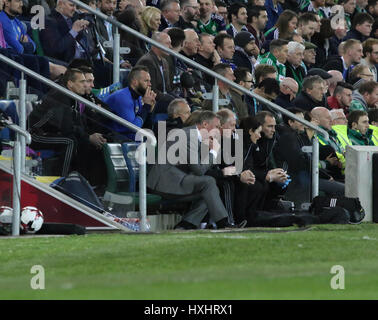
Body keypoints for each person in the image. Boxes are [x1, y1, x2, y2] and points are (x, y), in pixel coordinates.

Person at [147, 110, 244, 230]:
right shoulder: (188, 136)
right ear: (205, 125)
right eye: (217, 127)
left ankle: (185, 226)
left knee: (209, 191)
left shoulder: (200, 137)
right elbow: (199, 170)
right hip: (164, 182)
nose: (219, 130)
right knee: (208, 182)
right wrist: (213, 152)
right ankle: (223, 224)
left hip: (179, 178)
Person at [28, 68, 108, 184]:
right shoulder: (60, 95)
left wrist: (90, 136)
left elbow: (78, 123)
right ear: (70, 83)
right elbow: (67, 127)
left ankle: (89, 183)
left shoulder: (74, 97)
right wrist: (88, 137)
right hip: (34, 134)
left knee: (84, 142)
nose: (85, 85)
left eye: (86, 81)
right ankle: (61, 182)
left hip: (52, 133)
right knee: (70, 141)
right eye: (82, 82)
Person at [233, 116, 270, 226]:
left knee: (262, 184)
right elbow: (241, 168)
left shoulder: (250, 144)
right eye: (258, 132)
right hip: (233, 176)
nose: (259, 136)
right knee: (252, 184)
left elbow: (257, 163)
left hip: (240, 174)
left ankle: (253, 216)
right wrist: (266, 175)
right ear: (250, 131)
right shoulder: (239, 143)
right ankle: (241, 218)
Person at [104, 66, 156, 140]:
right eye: (146, 81)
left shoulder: (138, 97)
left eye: (149, 81)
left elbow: (146, 128)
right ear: (135, 82)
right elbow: (133, 128)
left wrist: (150, 110)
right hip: (113, 137)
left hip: (126, 136)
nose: (150, 84)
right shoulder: (122, 97)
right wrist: (146, 107)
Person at [136, 32, 172, 102]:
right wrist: (170, 99)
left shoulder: (164, 61)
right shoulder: (147, 61)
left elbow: (168, 89)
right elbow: (151, 89)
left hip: (163, 100)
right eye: (167, 43)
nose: (170, 47)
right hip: (152, 101)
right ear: (156, 44)